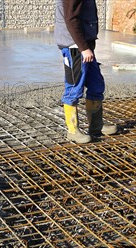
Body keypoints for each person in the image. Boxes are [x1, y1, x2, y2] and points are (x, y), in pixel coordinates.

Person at [54, 0, 116, 144]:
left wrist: (88, 46)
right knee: (74, 86)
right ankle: (72, 131)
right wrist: (83, 48)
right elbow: (70, 19)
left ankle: (96, 126)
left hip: (84, 45)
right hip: (74, 47)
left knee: (96, 84)